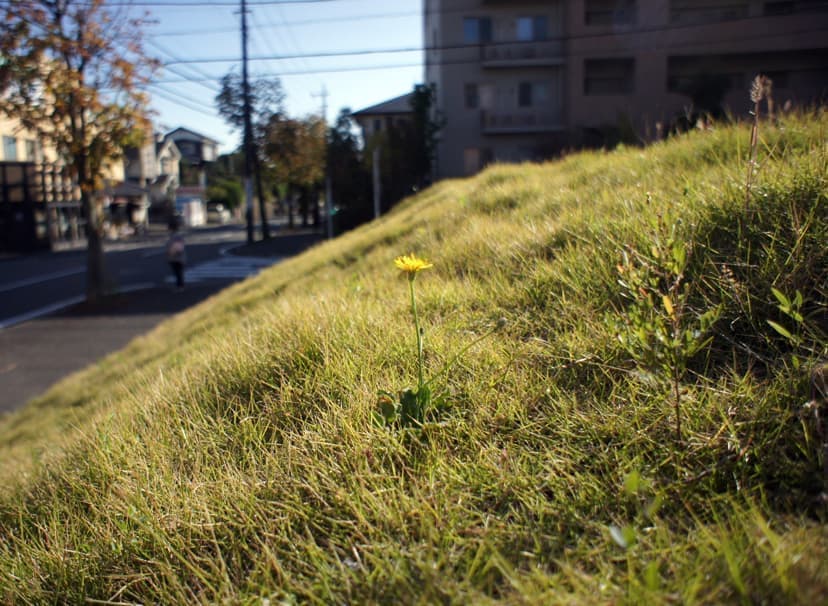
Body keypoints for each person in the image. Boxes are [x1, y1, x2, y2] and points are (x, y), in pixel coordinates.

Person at [166, 225, 186, 290]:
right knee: (178, 272)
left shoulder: (174, 237)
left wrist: (171, 253)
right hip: (178, 258)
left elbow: (176, 247)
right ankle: (180, 285)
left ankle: (180, 286)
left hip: (176, 258)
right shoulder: (177, 236)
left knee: (178, 272)